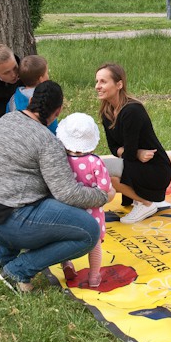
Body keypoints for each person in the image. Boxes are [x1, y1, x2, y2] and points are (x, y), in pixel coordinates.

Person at [0, 81, 109, 293]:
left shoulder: (6, 120)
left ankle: (2, 260)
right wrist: (102, 195)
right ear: (58, 111)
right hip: (2, 219)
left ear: (31, 100)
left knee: (24, 197)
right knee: (88, 231)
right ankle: (17, 270)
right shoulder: (47, 141)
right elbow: (67, 193)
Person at [96, 63, 171, 224]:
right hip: (136, 163)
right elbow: (113, 148)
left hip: (155, 169)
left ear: (119, 84)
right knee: (101, 169)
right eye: (97, 82)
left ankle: (146, 203)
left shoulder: (132, 111)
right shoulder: (107, 113)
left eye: (103, 81)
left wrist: (133, 152)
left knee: (103, 170)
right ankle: (140, 199)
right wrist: (138, 152)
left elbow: (128, 154)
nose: (97, 86)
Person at [56, 112, 114, 288]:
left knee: (65, 239)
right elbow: (104, 188)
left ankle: (67, 264)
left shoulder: (61, 159)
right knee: (95, 243)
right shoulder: (95, 162)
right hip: (92, 211)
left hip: (68, 208)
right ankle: (94, 276)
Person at [6, 55, 54, 135]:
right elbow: (52, 126)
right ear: (41, 79)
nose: (48, 75)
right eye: (47, 73)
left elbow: (7, 119)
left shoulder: (13, 99)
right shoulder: (46, 98)